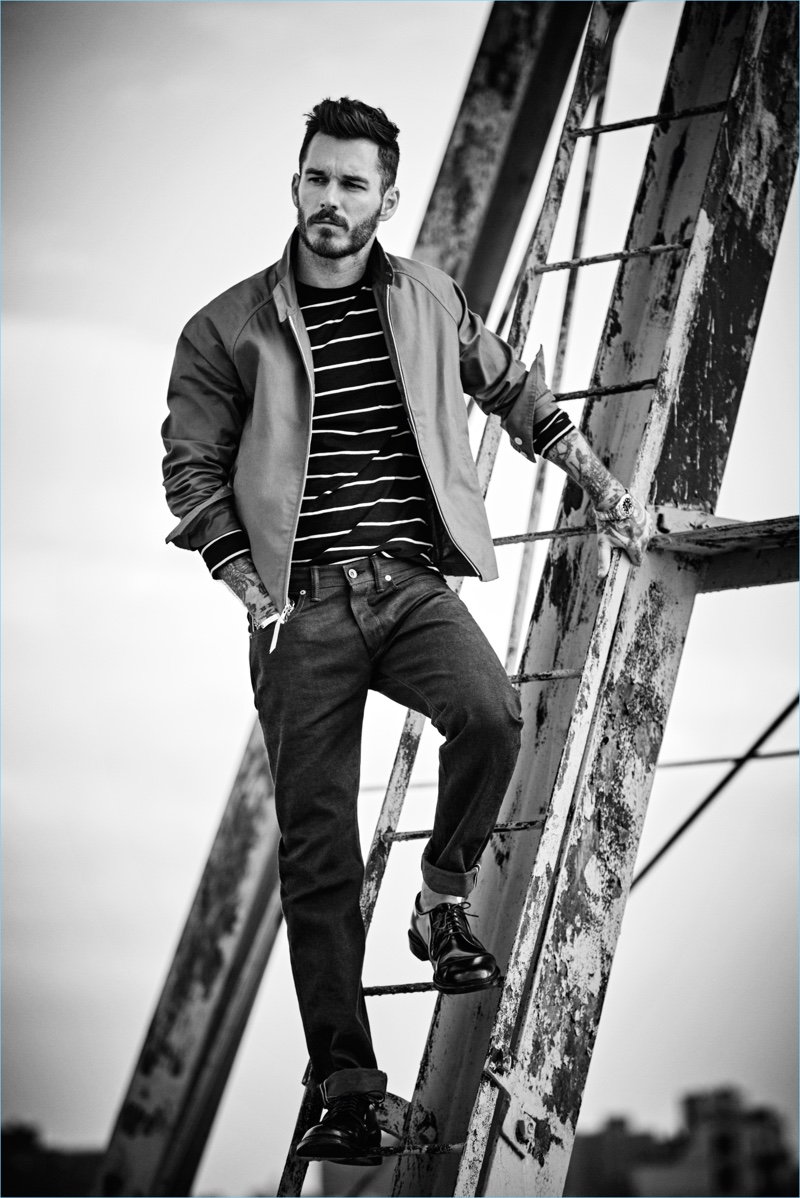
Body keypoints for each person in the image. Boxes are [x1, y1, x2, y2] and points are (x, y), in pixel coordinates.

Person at [161, 97, 651, 1165]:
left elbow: (511, 387)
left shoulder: (425, 293)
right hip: (301, 609)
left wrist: (597, 480)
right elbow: (190, 470)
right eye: (315, 179)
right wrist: (246, 581)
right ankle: (343, 1080)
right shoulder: (225, 328)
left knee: (488, 711)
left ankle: (439, 894)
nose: (329, 200)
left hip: (410, 585)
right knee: (318, 849)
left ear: (388, 196)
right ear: (293, 185)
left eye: (351, 183)